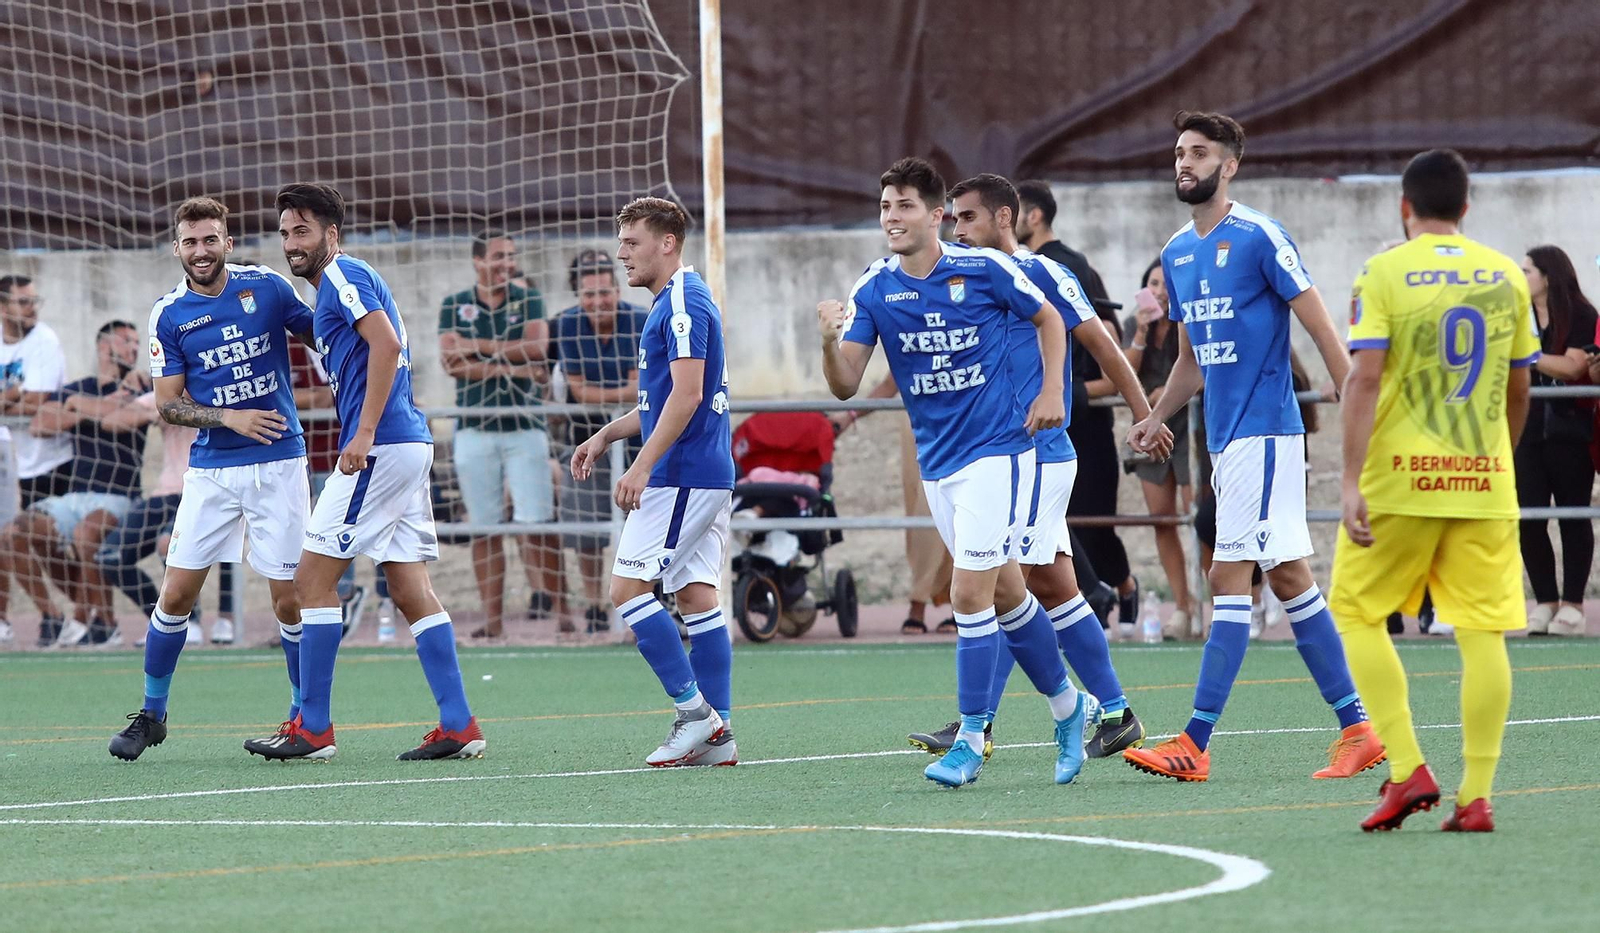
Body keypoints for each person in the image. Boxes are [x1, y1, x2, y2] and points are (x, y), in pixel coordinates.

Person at [1124, 111, 1384, 783]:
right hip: (1225, 436)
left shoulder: (1260, 235)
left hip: (1267, 432)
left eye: (1199, 152)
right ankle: (1358, 728)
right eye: (1179, 151)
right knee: (1292, 577)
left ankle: (1196, 739)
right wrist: (1156, 415)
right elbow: (1190, 360)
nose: (1184, 161)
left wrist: (1345, 390)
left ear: (1229, 165)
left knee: (1228, 576)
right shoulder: (1178, 252)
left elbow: (1319, 321)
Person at [819, 157, 1094, 789]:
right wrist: (828, 340)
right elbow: (845, 386)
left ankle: (971, 741)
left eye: (906, 205)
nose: (892, 217)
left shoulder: (986, 267)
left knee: (967, 594)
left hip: (1000, 451)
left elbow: (1050, 319)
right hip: (938, 460)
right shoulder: (875, 287)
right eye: (886, 205)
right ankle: (1067, 706)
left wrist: (1051, 390)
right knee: (1005, 593)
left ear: (935, 214)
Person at [906, 173, 1165, 762]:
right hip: (998, 457)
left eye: (967, 218)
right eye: (953, 220)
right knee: (1050, 587)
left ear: (1005, 219)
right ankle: (1116, 710)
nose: (958, 230)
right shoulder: (962, 280)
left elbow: (1102, 344)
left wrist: (1145, 413)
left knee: (1001, 581)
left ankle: (978, 724)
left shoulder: (1043, 274)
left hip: (1037, 459)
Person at [1333, 149, 1538, 832]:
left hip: (1399, 480)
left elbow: (1364, 378)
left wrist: (1351, 479)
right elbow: (1519, 386)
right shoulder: (1507, 274)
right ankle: (1475, 795)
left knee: (1356, 612)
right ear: (1467, 208)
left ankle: (1408, 767)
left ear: (1404, 206)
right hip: (1483, 482)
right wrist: (1496, 459)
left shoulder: (1383, 270)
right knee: (1484, 635)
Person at [247, 182, 482, 761]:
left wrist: (364, 431)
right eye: (284, 233)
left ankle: (314, 729)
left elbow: (386, 344)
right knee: (407, 586)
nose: (291, 243)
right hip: (405, 444)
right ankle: (459, 724)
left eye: (302, 230)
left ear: (331, 234)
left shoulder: (344, 276)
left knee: (310, 583)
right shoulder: (334, 285)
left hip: (382, 447)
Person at [107, 197, 315, 761]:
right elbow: (168, 406)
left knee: (289, 600)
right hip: (212, 471)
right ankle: (152, 713)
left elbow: (323, 334)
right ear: (177, 248)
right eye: (190, 242)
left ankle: (303, 718)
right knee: (175, 593)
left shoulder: (266, 287)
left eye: (210, 239)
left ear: (227, 241)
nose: (201, 251)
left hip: (278, 461)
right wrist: (230, 417)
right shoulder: (168, 314)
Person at [569, 196, 738, 767]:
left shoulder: (683, 304)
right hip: (703, 471)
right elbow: (660, 402)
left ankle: (696, 716)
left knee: (626, 590)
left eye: (631, 242)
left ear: (667, 243)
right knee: (695, 596)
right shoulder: (673, 301)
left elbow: (688, 397)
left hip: (682, 474)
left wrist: (642, 466)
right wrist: (607, 436)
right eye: (621, 243)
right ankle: (720, 736)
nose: (622, 254)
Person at [1016, 181, 1137, 625]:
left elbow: (1104, 338)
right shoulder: (999, 269)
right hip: (1043, 421)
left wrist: (1072, 393)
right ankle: (1094, 596)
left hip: (1079, 418)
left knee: (1092, 523)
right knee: (1061, 533)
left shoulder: (1064, 267)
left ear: (1032, 216)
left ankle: (1118, 589)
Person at [437, 231, 557, 638]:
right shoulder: (454, 304)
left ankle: (562, 617)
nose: (507, 263)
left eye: (511, 256)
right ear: (477, 261)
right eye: (498, 256)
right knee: (484, 529)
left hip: (526, 427)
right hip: (475, 428)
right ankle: (492, 622)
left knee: (537, 525)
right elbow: (452, 363)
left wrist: (478, 346)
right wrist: (514, 364)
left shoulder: (529, 299)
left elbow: (538, 348)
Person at [13, 321, 149, 648]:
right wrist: (91, 408)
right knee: (17, 532)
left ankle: (95, 621)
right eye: (127, 341)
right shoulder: (80, 386)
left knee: (86, 535)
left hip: (121, 497)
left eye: (136, 342)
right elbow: (40, 425)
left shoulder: (141, 386)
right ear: (105, 346)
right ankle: (55, 616)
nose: (134, 348)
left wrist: (79, 408)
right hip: (75, 496)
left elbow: (122, 418)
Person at [550, 248, 646, 633]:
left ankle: (642, 600)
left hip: (639, 440)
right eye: (589, 295)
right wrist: (617, 390)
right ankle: (593, 604)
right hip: (585, 437)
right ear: (579, 296)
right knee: (586, 528)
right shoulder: (568, 325)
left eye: (604, 293)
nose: (597, 302)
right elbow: (578, 392)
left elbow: (640, 390)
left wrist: (605, 391)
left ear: (616, 290)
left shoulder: (640, 320)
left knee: (639, 522)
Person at [1515, 245, 1596, 637]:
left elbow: (1573, 366)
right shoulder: (1516, 314)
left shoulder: (1581, 313)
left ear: (1548, 275)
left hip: (1570, 430)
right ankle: (1544, 601)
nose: (1522, 276)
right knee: (1528, 518)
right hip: (1524, 429)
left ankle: (1573, 605)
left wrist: (1525, 355)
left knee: (1572, 515)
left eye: (1527, 270)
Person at [1124, 259, 1198, 636]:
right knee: (1162, 519)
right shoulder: (1135, 324)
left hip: (1190, 426)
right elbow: (1123, 372)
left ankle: (1213, 602)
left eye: (1165, 284)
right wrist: (1140, 332)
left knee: (1198, 516)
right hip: (1151, 429)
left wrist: (1166, 397)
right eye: (1153, 283)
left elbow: (1200, 369)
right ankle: (1183, 606)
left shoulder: (1188, 320)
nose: (1159, 291)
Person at [0, 275, 73, 512]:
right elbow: (26, 396)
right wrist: (16, 392)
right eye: (23, 302)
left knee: (44, 539)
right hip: (13, 461)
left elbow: (34, 402)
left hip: (51, 462)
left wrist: (14, 397)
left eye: (34, 301)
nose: (32, 308)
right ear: (2, 307)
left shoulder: (44, 341)